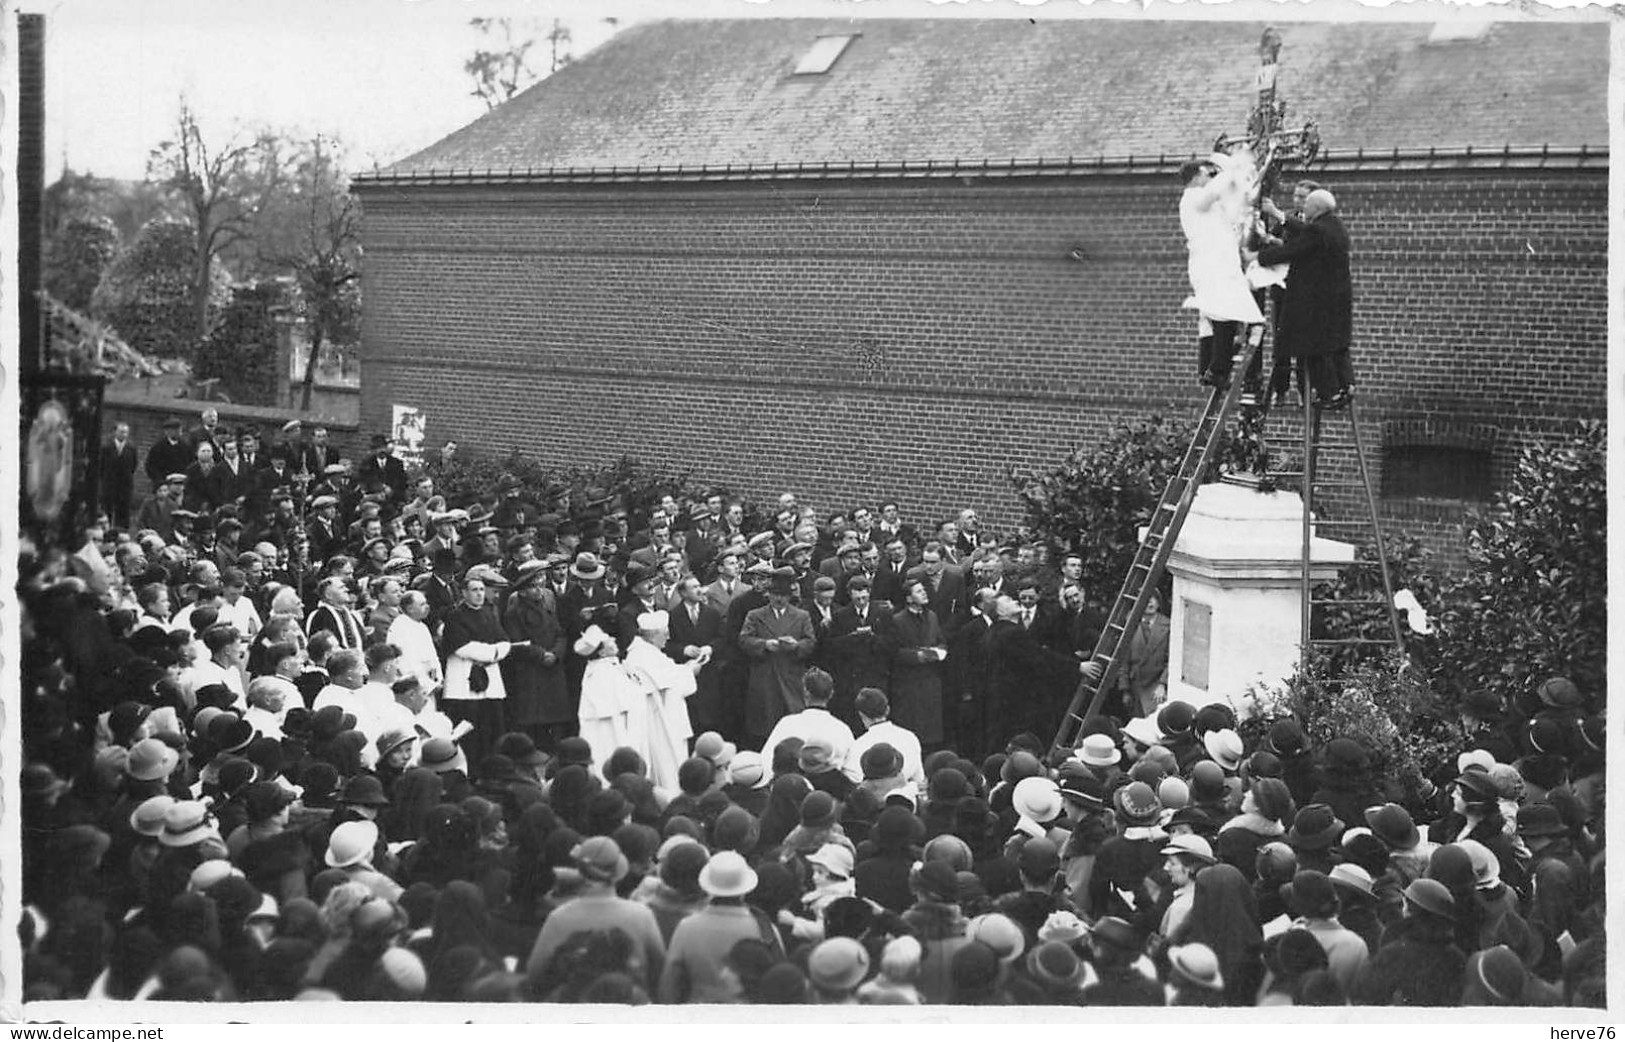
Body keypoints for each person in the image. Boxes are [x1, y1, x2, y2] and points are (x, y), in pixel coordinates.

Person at [1253, 188, 1355, 408]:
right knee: (1337, 347)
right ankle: (1347, 386)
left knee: (1312, 348)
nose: (1302, 206)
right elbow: (1305, 233)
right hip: (1337, 300)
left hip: (1316, 302)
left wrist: (1258, 257)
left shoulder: (1317, 231)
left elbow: (1293, 250)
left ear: (1317, 207)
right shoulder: (1334, 227)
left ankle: (1329, 393)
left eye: (1306, 203)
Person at [1179, 147, 1264, 390]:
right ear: (1196, 175)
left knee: (1220, 315)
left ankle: (1214, 368)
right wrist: (1233, 168)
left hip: (1219, 262)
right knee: (1224, 314)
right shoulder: (1194, 196)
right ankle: (1217, 369)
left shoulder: (1208, 201)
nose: (1211, 177)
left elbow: (1237, 201)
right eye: (1208, 173)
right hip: (1212, 263)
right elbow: (1214, 193)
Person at [622, 610, 706, 793]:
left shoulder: (646, 653)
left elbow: (667, 673)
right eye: (665, 632)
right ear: (652, 636)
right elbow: (672, 684)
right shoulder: (643, 655)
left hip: (660, 715)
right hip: (660, 720)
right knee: (668, 763)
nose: (668, 637)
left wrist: (685, 669)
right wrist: (690, 670)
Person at [737, 571, 816, 749]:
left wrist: (796, 646)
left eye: (783, 595)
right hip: (766, 675)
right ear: (768, 595)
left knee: (794, 721)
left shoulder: (801, 615)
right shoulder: (755, 615)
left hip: (792, 675)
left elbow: (811, 642)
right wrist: (764, 644)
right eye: (775, 595)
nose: (779, 599)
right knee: (766, 724)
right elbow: (743, 640)